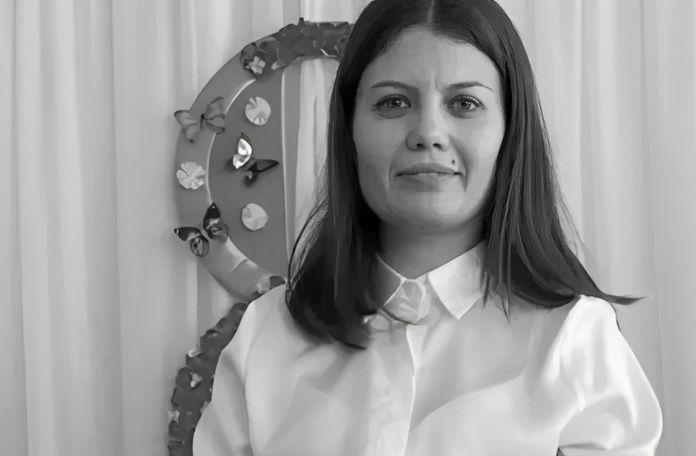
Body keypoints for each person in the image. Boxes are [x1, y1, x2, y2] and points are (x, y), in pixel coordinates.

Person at [193, 0, 663, 454]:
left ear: (510, 130)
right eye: (393, 102)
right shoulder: (267, 333)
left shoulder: (574, 339)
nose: (428, 133)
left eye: (464, 103)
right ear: (349, 129)